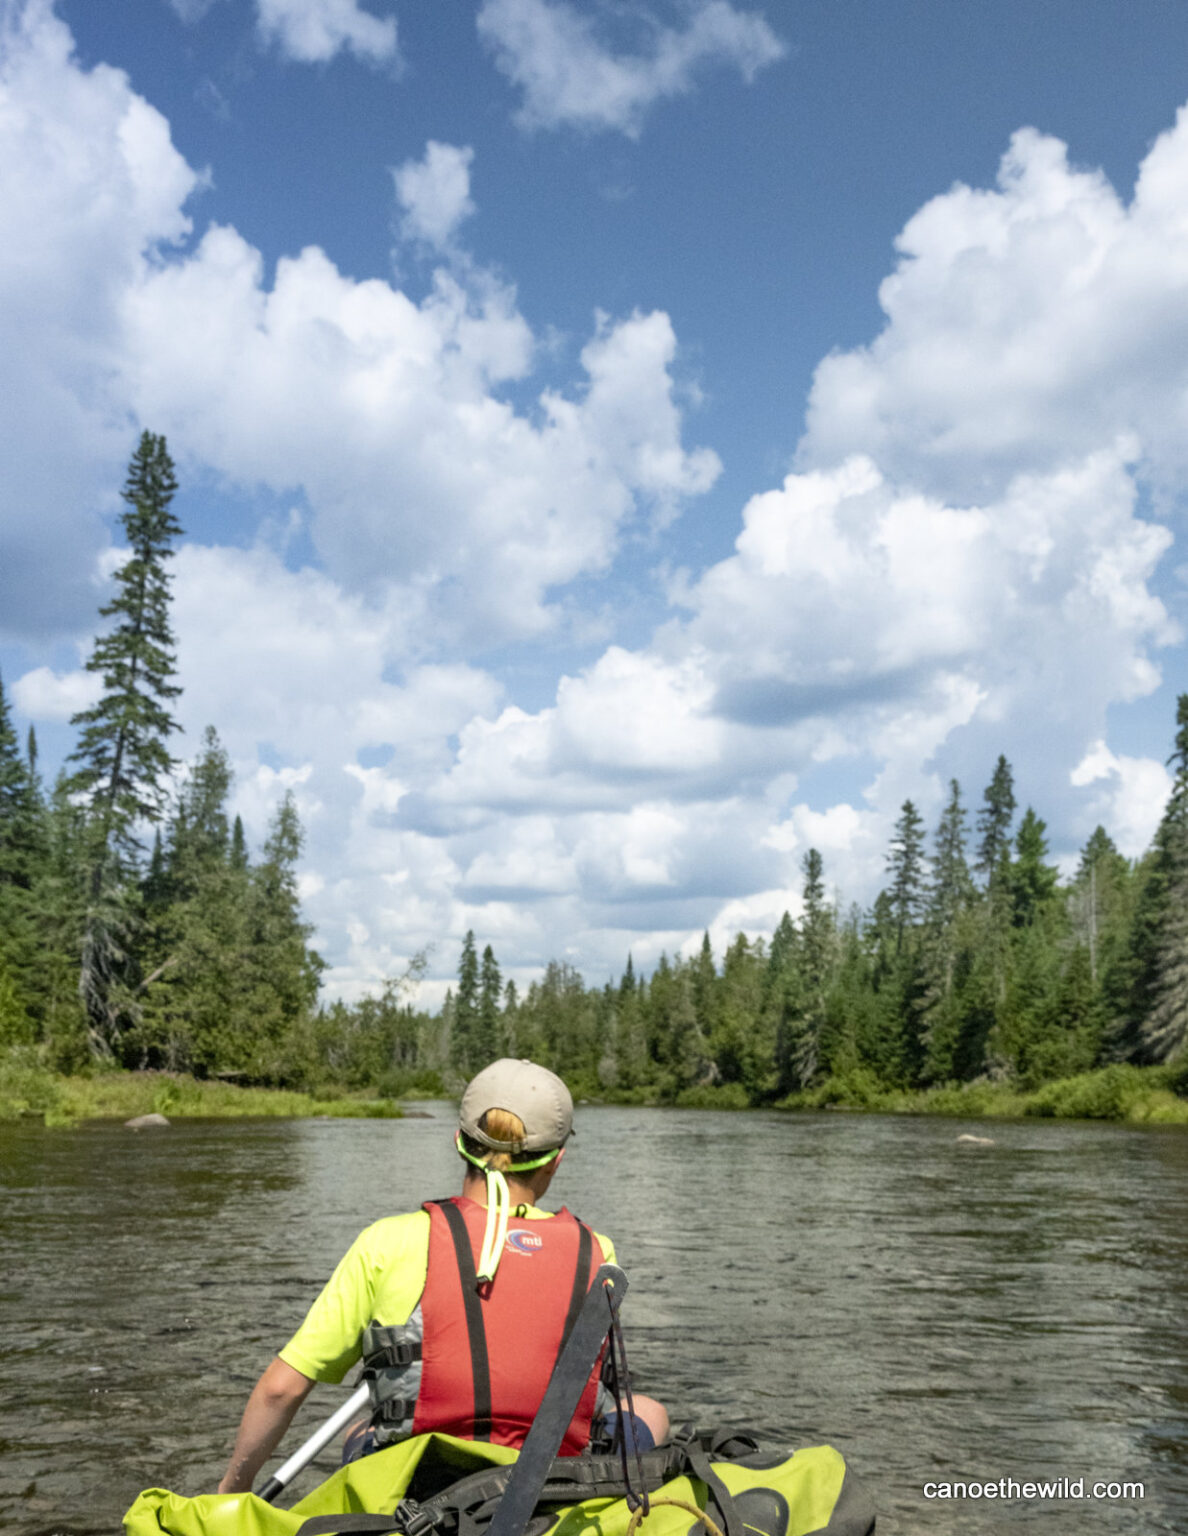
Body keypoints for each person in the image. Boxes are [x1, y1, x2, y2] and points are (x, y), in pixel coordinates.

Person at [217, 1059, 668, 1494]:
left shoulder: (388, 1241)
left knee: (361, 1428)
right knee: (649, 1411)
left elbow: (281, 1390)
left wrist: (232, 1488)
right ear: (556, 1159)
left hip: (418, 1481)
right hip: (550, 1481)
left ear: (460, 1141)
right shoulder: (598, 1252)